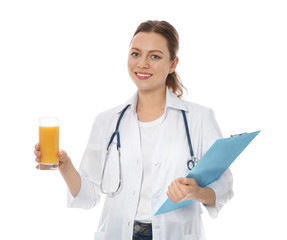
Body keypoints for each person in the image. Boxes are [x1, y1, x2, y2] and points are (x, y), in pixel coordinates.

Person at [34, 20, 233, 240]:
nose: (142, 64)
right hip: (119, 232)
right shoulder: (107, 121)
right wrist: (65, 165)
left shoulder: (199, 118)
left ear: (173, 63)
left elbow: (224, 184)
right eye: (136, 54)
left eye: (155, 56)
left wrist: (197, 192)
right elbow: (89, 196)